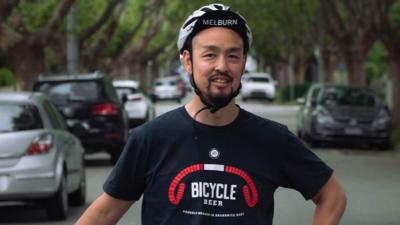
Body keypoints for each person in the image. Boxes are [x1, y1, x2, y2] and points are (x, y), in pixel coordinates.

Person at [76, 3, 346, 225]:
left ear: (243, 63)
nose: (222, 66)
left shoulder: (272, 139)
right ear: (187, 61)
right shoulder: (151, 138)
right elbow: (103, 213)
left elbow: (332, 197)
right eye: (209, 55)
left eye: (233, 56)